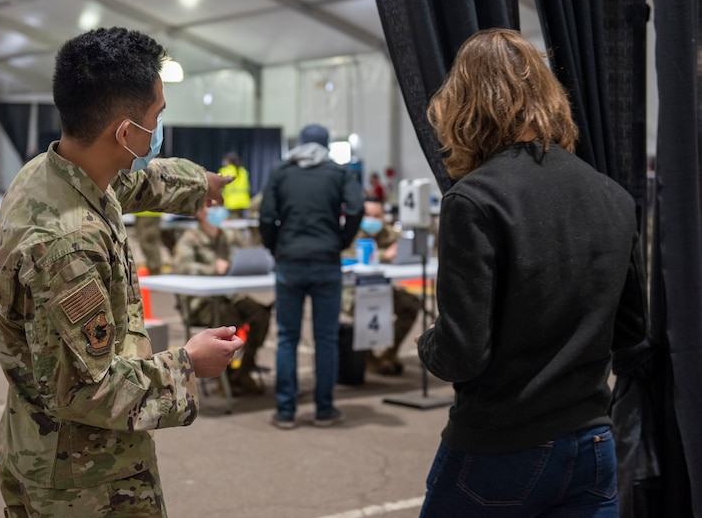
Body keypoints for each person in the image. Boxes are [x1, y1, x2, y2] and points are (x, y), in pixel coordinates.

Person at [0, 27, 243, 518]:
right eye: (158, 117)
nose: (160, 128)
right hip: (83, 483)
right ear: (126, 134)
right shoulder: (67, 247)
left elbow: (135, 182)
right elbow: (83, 390)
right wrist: (189, 365)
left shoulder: (50, 175)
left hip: (38, 450)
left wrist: (200, 185)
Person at [415, 28, 647, 517]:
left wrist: (426, 342)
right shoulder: (614, 197)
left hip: (500, 445)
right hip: (593, 441)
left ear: (464, 107)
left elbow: (460, 354)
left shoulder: (474, 200)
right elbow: (631, 331)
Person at [259, 123, 364, 429]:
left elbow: (266, 215)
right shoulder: (339, 172)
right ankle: (324, 409)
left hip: (289, 260)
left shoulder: (281, 171)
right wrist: (341, 240)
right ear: (327, 144)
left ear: (300, 143)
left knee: (288, 338)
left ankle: (286, 410)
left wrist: (275, 247)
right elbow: (356, 207)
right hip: (326, 260)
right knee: (326, 339)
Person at [172, 204, 272, 395]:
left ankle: (244, 371)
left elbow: (246, 258)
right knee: (228, 318)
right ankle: (222, 377)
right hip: (201, 303)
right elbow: (182, 267)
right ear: (200, 212)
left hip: (231, 296)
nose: (219, 210)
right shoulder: (190, 239)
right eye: (212, 207)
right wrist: (212, 269)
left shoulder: (229, 236)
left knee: (260, 314)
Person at [341, 197, 422, 375]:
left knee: (411, 305)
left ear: (383, 217)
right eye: (367, 214)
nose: (372, 219)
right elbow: (346, 253)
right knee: (363, 308)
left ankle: (389, 353)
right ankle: (369, 360)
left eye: (376, 215)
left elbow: (405, 244)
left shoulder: (386, 232)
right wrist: (385, 254)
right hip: (352, 290)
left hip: (382, 288)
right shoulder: (350, 231)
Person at [219, 151, 251, 218]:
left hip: (231, 203)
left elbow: (220, 187)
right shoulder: (243, 171)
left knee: (232, 226)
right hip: (243, 202)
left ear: (228, 161)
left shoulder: (225, 171)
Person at [133, 210, 164, 275]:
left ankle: (155, 273)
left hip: (148, 211)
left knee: (149, 244)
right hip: (144, 211)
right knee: (148, 243)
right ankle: (154, 272)